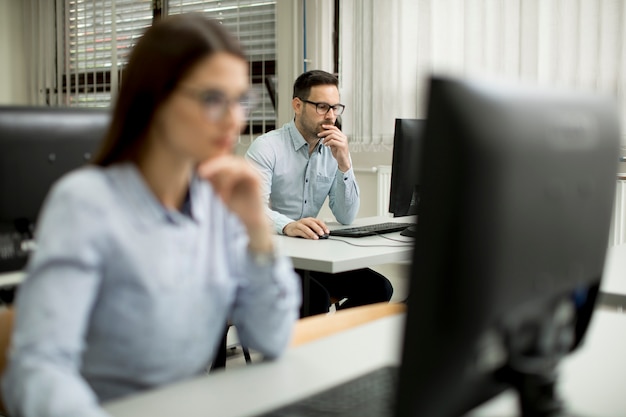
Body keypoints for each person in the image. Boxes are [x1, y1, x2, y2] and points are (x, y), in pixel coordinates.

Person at [2, 14, 300, 417]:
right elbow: (38, 370)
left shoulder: (217, 202)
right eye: (213, 99)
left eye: (240, 100)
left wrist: (256, 231)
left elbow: (272, 337)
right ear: (156, 100)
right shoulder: (85, 203)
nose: (234, 119)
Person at [246, 69, 393, 316]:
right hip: (266, 258)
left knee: (379, 288)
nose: (331, 116)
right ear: (297, 105)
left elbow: (346, 216)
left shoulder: (333, 150)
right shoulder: (267, 147)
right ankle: (310, 349)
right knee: (316, 298)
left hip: (307, 258)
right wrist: (287, 225)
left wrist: (344, 163)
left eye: (336, 108)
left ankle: (334, 347)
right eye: (322, 107)